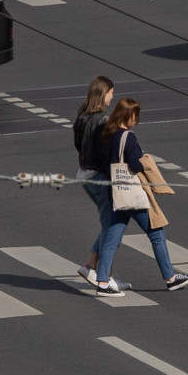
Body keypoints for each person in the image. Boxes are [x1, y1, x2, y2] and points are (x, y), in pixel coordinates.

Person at [92, 99, 188, 296]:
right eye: (135, 115)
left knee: (112, 238)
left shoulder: (107, 135)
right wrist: (144, 161)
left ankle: (103, 282)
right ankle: (171, 278)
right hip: (133, 195)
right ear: (128, 116)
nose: (137, 120)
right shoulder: (128, 137)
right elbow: (134, 164)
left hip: (117, 194)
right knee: (157, 234)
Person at [71, 75, 116, 287]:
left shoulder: (81, 116)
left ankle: (91, 266)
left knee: (109, 224)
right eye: (111, 93)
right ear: (103, 93)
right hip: (99, 177)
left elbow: (78, 145)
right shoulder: (103, 120)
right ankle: (100, 273)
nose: (112, 98)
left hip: (83, 174)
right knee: (112, 227)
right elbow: (106, 152)